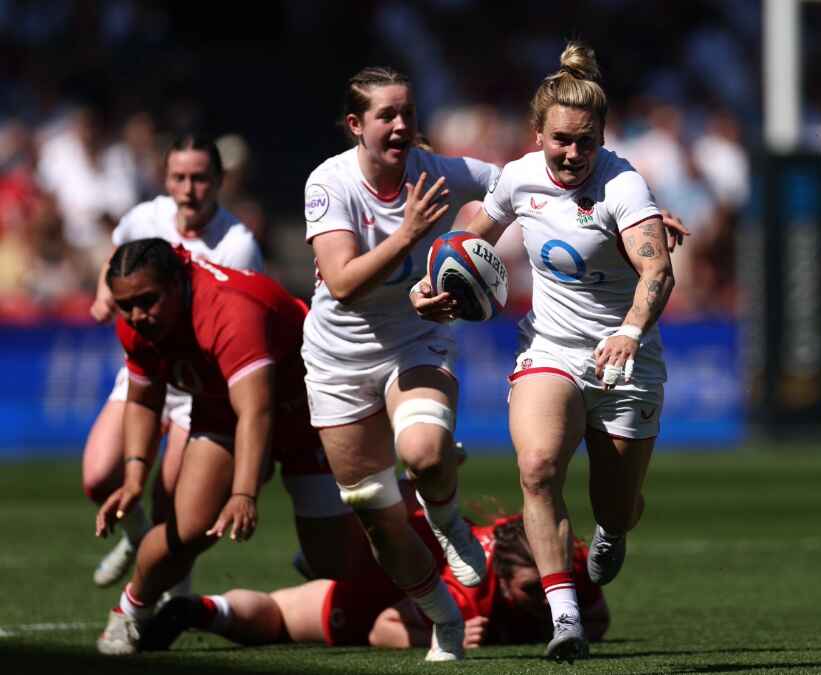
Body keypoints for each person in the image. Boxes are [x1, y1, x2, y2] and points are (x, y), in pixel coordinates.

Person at [415, 41, 675, 662]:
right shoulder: (519, 177)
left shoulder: (624, 185)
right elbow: (469, 239)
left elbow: (658, 272)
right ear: (539, 134)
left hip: (626, 356)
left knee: (618, 505)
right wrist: (433, 283)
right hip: (550, 347)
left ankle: (612, 529)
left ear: (602, 137)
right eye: (561, 140)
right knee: (536, 468)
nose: (573, 154)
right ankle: (566, 619)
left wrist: (629, 332)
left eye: (586, 142)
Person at [301, 65, 509, 663]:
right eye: (385, 115)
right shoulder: (329, 182)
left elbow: (519, 186)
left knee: (423, 453)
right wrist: (410, 235)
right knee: (375, 513)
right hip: (338, 360)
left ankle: (447, 520)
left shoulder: (439, 171)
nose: (399, 125)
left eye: (407, 113)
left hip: (415, 343)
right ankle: (443, 618)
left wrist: (465, 246)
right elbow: (342, 284)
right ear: (355, 125)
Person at [93, 239, 370, 656]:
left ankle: (387, 517)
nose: (136, 316)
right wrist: (134, 478)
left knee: (337, 566)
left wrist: (244, 493)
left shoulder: (230, 311)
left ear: (177, 283)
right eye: (125, 305)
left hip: (308, 407)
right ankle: (130, 612)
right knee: (186, 530)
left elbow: (257, 411)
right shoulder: (136, 322)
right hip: (223, 410)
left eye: (147, 301)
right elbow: (145, 401)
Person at [84, 134, 264, 593]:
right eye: (178, 177)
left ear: (219, 181)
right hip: (149, 365)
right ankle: (137, 537)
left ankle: (172, 601)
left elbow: (243, 320)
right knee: (98, 477)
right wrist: (105, 295)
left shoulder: (237, 245)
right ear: (165, 179)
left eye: (199, 178)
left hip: (197, 385)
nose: (188, 189)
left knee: (174, 503)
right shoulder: (145, 218)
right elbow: (116, 261)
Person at [139, 489, 609, 653]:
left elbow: (598, 617)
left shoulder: (561, 560)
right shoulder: (470, 588)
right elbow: (383, 628)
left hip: (409, 552)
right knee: (279, 619)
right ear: (502, 574)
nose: (546, 601)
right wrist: (446, 635)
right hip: (379, 595)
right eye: (533, 591)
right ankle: (198, 609)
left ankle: (202, 608)